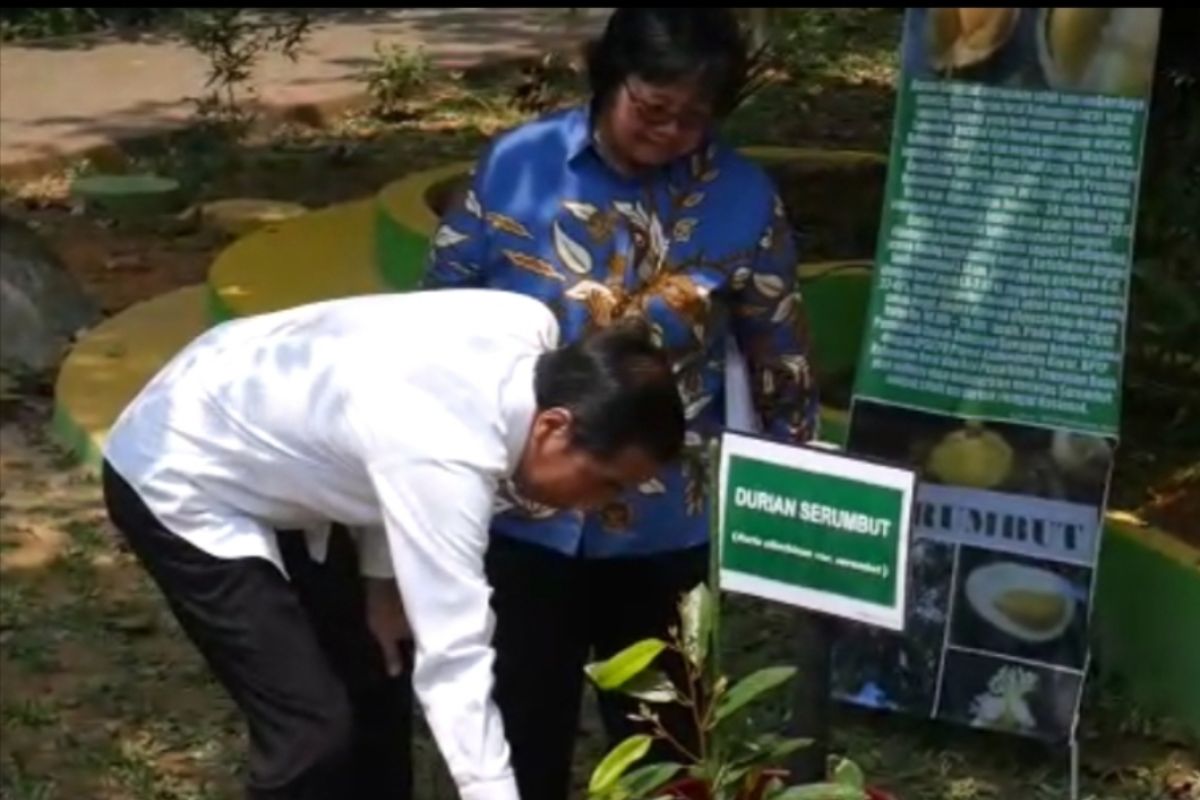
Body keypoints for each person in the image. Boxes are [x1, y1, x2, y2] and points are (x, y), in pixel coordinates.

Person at [422, 8, 820, 798]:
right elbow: (436, 310)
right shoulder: (518, 164)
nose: (669, 132)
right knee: (511, 727)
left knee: (665, 746)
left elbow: (778, 349)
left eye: (694, 118)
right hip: (513, 505)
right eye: (652, 107)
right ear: (609, 78)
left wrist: (792, 478)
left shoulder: (741, 198)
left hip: (661, 516)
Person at [100, 288, 686, 800]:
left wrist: (382, 587)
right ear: (553, 426)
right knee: (309, 733)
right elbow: (456, 658)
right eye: (604, 481)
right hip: (180, 460)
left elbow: (384, 428)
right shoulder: (448, 452)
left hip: (274, 437)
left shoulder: (524, 323)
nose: (597, 504)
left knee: (375, 679)